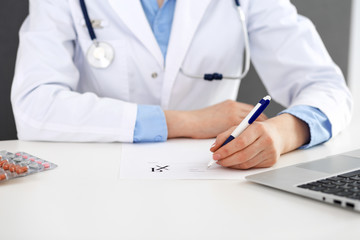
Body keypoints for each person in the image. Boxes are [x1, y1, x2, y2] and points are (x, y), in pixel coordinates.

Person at [11, 0, 352, 170]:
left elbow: (326, 86)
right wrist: (186, 122)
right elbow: (33, 104)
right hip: (94, 175)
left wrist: (283, 132)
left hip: (211, 175)